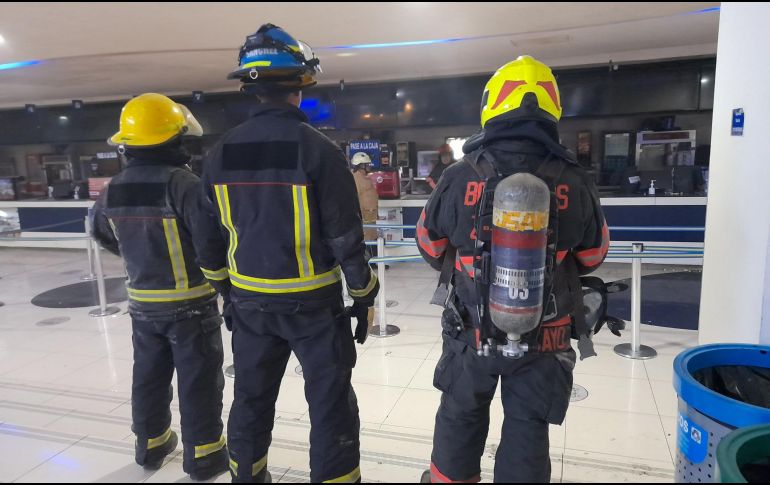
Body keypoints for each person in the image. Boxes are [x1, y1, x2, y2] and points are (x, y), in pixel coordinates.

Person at [416, 56, 611, 483]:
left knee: (460, 418)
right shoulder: (575, 179)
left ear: (493, 104)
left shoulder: (458, 175)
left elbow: (430, 246)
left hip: (471, 332)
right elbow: (595, 255)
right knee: (527, 428)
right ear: (552, 108)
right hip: (547, 336)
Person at [201, 24, 379, 483]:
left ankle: (247, 475)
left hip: (250, 304)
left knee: (251, 399)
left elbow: (207, 238)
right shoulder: (318, 151)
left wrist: (227, 291)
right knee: (329, 402)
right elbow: (345, 236)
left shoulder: (218, 155)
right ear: (301, 86)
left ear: (250, 88)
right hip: (315, 307)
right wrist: (363, 294)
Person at [92, 93, 231, 480]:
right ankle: (204, 456)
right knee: (199, 379)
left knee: (148, 375)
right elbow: (210, 244)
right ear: (175, 139)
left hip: (142, 307)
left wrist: (141, 259)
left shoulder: (111, 189)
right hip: (191, 305)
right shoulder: (185, 185)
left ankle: (151, 444)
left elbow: (102, 235)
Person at [350, 151, 381, 270]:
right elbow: (354, 197)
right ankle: (370, 263)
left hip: (370, 215)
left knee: (373, 238)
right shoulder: (356, 178)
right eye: (367, 164)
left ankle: (375, 262)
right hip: (364, 216)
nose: (369, 166)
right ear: (361, 165)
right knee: (368, 240)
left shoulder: (364, 177)